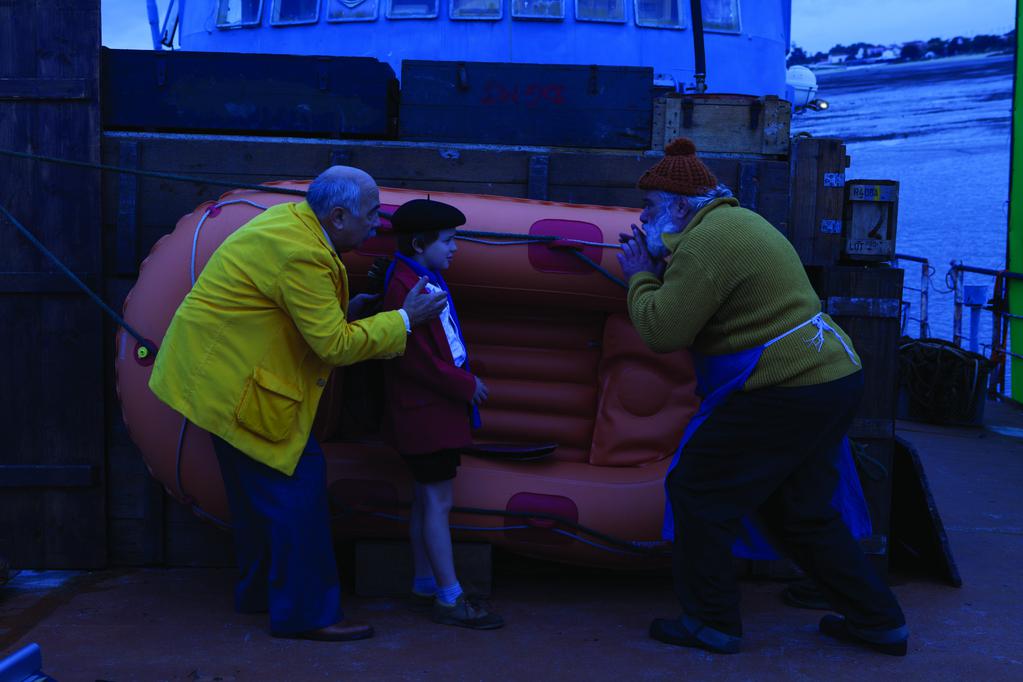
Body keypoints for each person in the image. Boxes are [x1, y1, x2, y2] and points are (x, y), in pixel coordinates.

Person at [617, 138, 908, 656]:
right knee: (801, 509)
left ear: (680, 207)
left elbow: (663, 331)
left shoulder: (706, 246)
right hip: (831, 375)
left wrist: (638, 274)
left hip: (787, 387)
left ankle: (711, 622)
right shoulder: (736, 223)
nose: (643, 217)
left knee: (697, 490)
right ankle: (878, 621)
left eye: (650, 207)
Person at [149, 166, 448, 642]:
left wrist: (349, 310)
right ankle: (309, 614)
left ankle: (260, 596)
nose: (378, 225)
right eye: (371, 216)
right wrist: (404, 320)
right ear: (337, 215)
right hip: (235, 388)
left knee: (254, 503)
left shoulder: (292, 220)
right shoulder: (303, 253)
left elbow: (288, 309)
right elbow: (333, 347)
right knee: (300, 495)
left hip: (211, 379)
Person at [380, 198, 504, 630]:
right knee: (438, 501)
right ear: (419, 243)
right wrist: (466, 386)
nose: (455, 248)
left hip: (425, 414)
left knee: (423, 499)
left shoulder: (415, 277)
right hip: (425, 415)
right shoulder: (408, 288)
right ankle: (450, 598)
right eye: (448, 241)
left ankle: (423, 583)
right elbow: (411, 358)